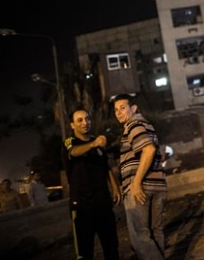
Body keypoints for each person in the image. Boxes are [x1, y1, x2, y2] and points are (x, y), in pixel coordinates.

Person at [112, 93, 167, 260]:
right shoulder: (146, 125)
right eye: (116, 110)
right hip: (157, 186)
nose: (119, 113)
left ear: (133, 108)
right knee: (154, 232)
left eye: (123, 108)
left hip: (140, 188)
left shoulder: (133, 125)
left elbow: (148, 150)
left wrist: (135, 183)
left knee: (140, 237)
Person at [63, 108, 120, 260]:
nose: (85, 123)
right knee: (84, 252)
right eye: (79, 120)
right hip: (82, 207)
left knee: (112, 247)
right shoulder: (70, 143)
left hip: (103, 203)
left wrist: (115, 188)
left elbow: (106, 166)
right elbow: (74, 152)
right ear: (72, 125)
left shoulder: (97, 143)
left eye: (87, 119)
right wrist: (93, 144)